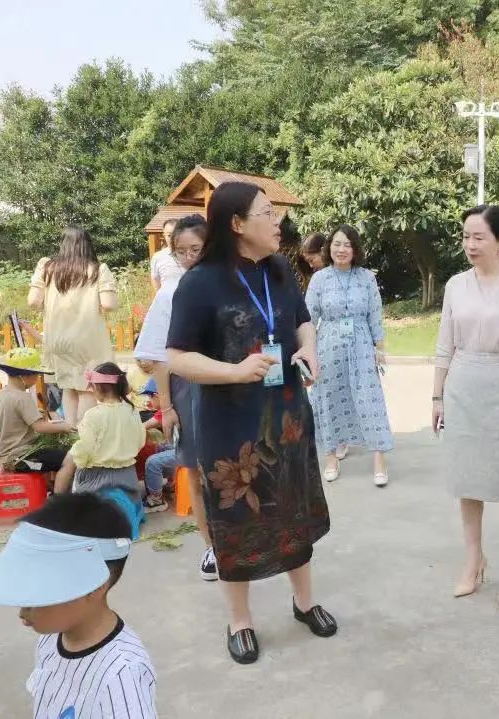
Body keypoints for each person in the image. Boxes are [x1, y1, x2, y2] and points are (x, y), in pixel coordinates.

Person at [167, 181, 335, 664]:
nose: (277, 221)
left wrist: (310, 348)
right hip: (230, 423)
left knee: (293, 505)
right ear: (238, 224)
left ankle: (304, 603)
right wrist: (234, 370)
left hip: (286, 415)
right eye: (267, 213)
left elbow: (302, 321)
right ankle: (239, 620)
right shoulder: (201, 282)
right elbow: (177, 357)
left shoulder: (280, 269)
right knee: (236, 517)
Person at [433, 205, 499, 610]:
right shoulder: (455, 285)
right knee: (468, 481)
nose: (470, 244)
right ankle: (473, 559)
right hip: (462, 383)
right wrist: (437, 396)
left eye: (478, 237)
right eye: (465, 236)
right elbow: (444, 345)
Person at [0, 492, 157, 719]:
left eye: (41, 591)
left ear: (95, 586)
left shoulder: (121, 675)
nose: (23, 610)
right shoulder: (49, 640)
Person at [134, 213, 218, 580]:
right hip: (189, 393)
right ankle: (211, 547)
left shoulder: (230, 285)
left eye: (195, 249)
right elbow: (155, 357)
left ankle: (242, 538)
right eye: (180, 251)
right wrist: (166, 406)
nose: (188, 258)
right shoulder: (170, 294)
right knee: (196, 473)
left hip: (231, 388)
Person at [305, 224, 394, 486]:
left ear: (355, 249)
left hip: (361, 345)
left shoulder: (366, 277)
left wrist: (380, 348)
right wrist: (308, 352)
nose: (341, 249)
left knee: (370, 399)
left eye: (347, 245)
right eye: (336, 244)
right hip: (328, 346)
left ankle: (379, 460)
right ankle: (331, 458)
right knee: (329, 398)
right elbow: (308, 318)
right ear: (328, 248)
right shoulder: (320, 279)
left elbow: (374, 313)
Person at [28, 226, 118, 426]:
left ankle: (70, 431)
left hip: (57, 340)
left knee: (69, 386)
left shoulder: (47, 268)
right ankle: (83, 436)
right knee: (87, 388)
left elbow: (33, 302)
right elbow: (109, 305)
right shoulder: (98, 270)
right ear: (87, 245)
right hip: (87, 341)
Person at [54, 363, 147, 537]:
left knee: (74, 466)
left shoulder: (93, 415)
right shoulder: (132, 411)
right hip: (127, 474)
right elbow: (140, 441)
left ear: (97, 388)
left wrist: (80, 460)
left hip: (96, 477)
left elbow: (86, 447)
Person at [0, 347, 74, 472]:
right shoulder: (22, 397)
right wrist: (65, 427)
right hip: (21, 459)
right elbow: (39, 427)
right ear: (24, 375)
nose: (37, 378)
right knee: (68, 461)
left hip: (5, 456)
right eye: (36, 374)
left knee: (50, 456)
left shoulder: (0, 395)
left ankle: (46, 487)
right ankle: (59, 492)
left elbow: (14, 419)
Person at [151, 217, 184, 291]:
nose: (172, 238)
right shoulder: (158, 257)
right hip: (166, 301)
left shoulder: (191, 255)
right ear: (164, 236)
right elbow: (156, 282)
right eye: (169, 235)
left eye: (176, 234)